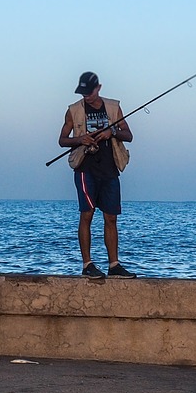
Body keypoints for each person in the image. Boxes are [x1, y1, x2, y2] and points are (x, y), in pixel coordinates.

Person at [58, 71, 134, 280]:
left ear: (98, 88)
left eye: (89, 92)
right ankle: (87, 264)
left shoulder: (113, 107)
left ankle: (114, 264)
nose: (86, 96)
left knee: (111, 217)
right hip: (85, 169)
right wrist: (80, 139)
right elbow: (62, 140)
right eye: (83, 93)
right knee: (87, 214)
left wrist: (113, 132)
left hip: (109, 169)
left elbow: (129, 135)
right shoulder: (73, 111)